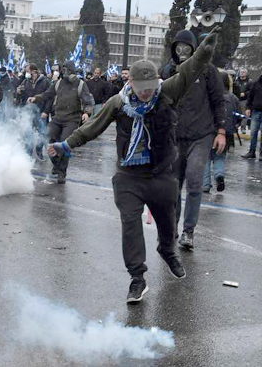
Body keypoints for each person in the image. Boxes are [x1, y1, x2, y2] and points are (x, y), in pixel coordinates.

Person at [47, 28, 220, 303]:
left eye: (150, 89)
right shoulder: (118, 102)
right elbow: (93, 126)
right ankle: (137, 278)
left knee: (167, 224)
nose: (145, 94)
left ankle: (167, 250)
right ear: (132, 85)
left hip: (161, 175)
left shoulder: (167, 93)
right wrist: (66, 145)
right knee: (130, 223)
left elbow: (190, 69)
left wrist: (205, 49)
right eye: (141, 90)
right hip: (128, 176)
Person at [169, 30, 226, 250]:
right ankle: (171, 228)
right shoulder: (169, 71)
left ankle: (188, 231)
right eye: (178, 47)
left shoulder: (209, 71)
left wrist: (221, 132)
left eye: (186, 47)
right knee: (173, 186)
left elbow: (219, 102)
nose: (182, 51)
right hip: (175, 137)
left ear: (194, 48)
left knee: (194, 182)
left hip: (201, 135)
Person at [28, 60, 94, 184]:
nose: (63, 72)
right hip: (57, 118)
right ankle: (56, 166)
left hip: (72, 120)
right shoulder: (58, 83)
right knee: (48, 139)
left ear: (71, 70)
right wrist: (36, 98)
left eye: (65, 70)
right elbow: (47, 94)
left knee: (64, 144)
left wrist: (86, 112)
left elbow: (87, 101)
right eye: (62, 70)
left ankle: (61, 173)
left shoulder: (80, 84)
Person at [204, 71, 239, 192]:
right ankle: (219, 175)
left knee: (206, 158)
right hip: (226, 132)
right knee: (220, 157)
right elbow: (238, 115)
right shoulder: (233, 98)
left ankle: (205, 184)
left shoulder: (210, 95)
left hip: (210, 130)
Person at [242, 73, 262, 160]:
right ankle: (252, 152)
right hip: (256, 111)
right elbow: (250, 97)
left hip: (257, 112)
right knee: (253, 132)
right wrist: (248, 108)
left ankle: (261, 153)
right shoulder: (256, 84)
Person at [233, 68, 253, 133]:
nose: (242, 73)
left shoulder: (249, 81)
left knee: (244, 114)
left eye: (243, 72)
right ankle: (236, 126)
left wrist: (245, 93)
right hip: (236, 99)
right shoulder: (236, 81)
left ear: (246, 73)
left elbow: (251, 91)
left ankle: (243, 128)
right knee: (236, 113)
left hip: (245, 100)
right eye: (241, 72)